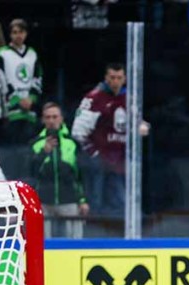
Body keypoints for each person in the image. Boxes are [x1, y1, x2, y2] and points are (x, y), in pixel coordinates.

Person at [71, 62, 150, 217]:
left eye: (119, 78)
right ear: (106, 78)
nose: (115, 82)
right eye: (112, 78)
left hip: (120, 161)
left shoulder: (129, 99)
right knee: (96, 203)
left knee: (123, 204)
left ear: (125, 79)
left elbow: (136, 123)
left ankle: (126, 238)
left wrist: (143, 127)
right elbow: (78, 132)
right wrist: (94, 154)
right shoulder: (94, 98)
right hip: (99, 162)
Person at [30, 102, 89, 238]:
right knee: (41, 243)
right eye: (48, 117)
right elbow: (30, 172)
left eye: (55, 117)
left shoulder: (72, 143)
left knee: (73, 242)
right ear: (43, 120)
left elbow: (80, 173)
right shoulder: (35, 143)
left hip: (69, 199)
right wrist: (44, 152)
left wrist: (83, 200)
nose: (51, 121)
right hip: (43, 201)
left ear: (61, 119)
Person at [0, 19, 42, 145]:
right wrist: (16, 100)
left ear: (26, 33)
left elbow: (37, 78)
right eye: (14, 32)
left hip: (29, 109)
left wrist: (31, 99)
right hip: (11, 108)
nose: (18, 35)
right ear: (10, 35)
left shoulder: (32, 53)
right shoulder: (2, 54)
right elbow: (0, 78)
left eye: (21, 32)